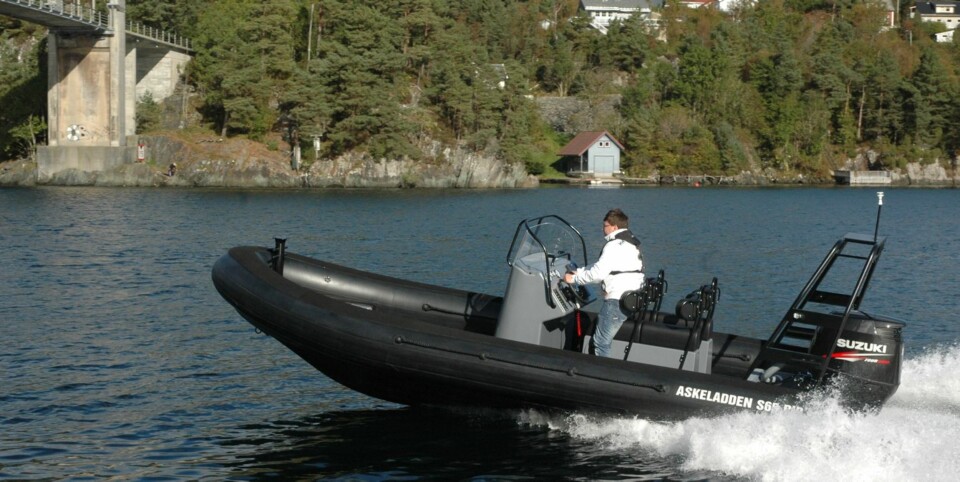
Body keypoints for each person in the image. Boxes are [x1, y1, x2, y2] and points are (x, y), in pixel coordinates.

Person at [564, 208, 644, 358]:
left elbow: (598, 274)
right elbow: (605, 267)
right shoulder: (629, 243)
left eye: (605, 226)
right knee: (598, 342)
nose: (602, 229)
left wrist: (573, 279)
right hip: (628, 298)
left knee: (601, 343)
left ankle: (600, 375)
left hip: (616, 301)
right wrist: (579, 271)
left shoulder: (613, 245)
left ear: (614, 227)